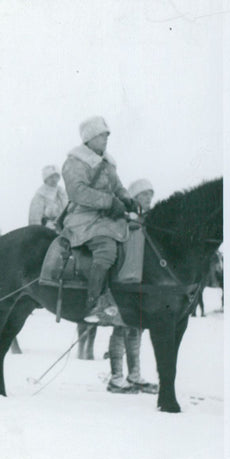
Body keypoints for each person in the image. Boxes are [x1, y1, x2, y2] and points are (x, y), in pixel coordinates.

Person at [60, 116, 138, 326]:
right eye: (102, 135)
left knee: (138, 237)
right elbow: (77, 192)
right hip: (83, 218)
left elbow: (117, 186)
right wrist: (109, 202)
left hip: (107, 217)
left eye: (107, 135)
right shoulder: (75, 162)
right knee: (106, 249)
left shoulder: (107, 162)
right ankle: (94, 303)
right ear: (90, 138)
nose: (106, 139)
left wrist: (127, 199)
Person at [107, 178, 158, 393]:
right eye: (145, 194)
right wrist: (131, 220)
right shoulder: (125, 216)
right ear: (135, 196)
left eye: (150, 194)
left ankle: (134, 375)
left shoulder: (149, 219)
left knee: (136, 328)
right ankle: (116, 378)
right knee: (120, 327)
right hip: (123, 279)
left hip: (140, 281)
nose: (148, 198)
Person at [28, 165, 68, 230]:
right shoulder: (40, 195)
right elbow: (34, 219)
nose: (54, 179)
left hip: (63, 225)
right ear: (46, 179)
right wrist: (45, 223)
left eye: (56, 176)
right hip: (47, 228)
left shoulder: (62, 192)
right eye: (51, 177)